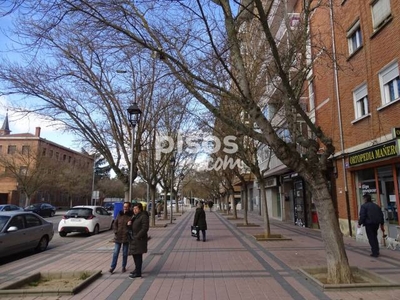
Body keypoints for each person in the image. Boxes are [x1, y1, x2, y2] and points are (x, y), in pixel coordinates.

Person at [109, 202, 132, 274]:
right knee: (115, 253)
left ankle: (123, 267)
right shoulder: (120, 214)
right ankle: (112, 267)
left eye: (126, 206)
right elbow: (115, 223)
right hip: (118, 236)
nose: (125, 208)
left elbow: (132, 227)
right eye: (124, 206)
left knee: (125, 253)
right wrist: (116, 231)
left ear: (129, 207)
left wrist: (129, 226)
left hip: (126, 237)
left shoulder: (131, 216)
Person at [128, 202, 149, 278]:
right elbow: (132, 227)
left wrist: (137, 236)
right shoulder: (135, 216)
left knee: (138, 256)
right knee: (135, 255)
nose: (135, 210)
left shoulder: (143, 216)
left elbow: (145, 228)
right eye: (134, 209)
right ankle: (136, 269)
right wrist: (129, 225)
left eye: (136, 208)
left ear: (140, 209)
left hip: (139, 239)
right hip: (134, 238)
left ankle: (138, 272)